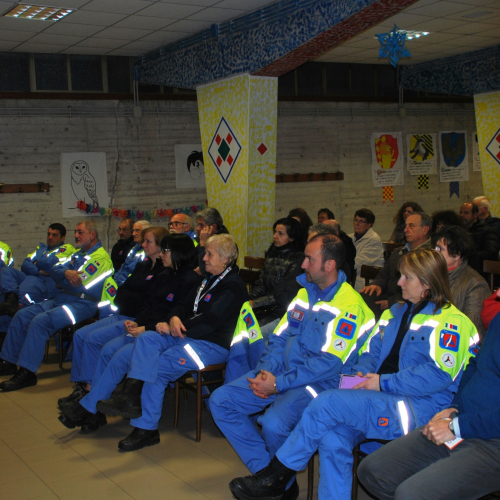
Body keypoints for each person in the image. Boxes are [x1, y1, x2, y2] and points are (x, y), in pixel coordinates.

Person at [228, 248, 479, 500]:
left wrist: (383, 382)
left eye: (407, 277)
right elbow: (370, 353)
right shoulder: (394, 313)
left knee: (327, 401)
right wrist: (359, 376)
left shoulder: (452, 322)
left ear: (427, 283)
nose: (399, 282)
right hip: (379, 398)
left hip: (417, 408)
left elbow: (437, 376)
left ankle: (278, 475)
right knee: (332, 438)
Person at [211, 234, 375, 499]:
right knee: (221, 401)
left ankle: (276, 483)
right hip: (281, 373)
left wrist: (278, 384)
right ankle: (273, 478)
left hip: (320, 383)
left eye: (309, 259)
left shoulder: (350, 306)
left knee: (273, 424)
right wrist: (267, 370)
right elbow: (279, 337)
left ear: (330, 265)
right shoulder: (303, 293)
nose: (303, 265)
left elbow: (329, 364)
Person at [94, 234, 249, 451]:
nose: (203, 258)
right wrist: (175, 317)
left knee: (158, 368)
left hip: (211, 346)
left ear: (225, 259)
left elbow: (209, 322)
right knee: (147, 338)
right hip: (188, 335)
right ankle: (131, 395)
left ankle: (146, 428)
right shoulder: (208, 279)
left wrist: (175, 327)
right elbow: (183, 304)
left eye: (209, 254)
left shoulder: (233, 286)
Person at [58, 233, 200, 434]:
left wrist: (145, 328)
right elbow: (148, 306)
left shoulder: (191, 280)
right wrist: (137, 323)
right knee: (107, 350)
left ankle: (88, 408)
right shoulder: (164, 275)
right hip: (145, 329)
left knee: (120, 356)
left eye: (166, 251)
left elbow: (176, 318)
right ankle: (93, 406)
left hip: (162, 336)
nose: (162, 254)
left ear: (178, 253)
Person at [358, 301, 500, 500]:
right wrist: (455, 407)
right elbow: (475, 365)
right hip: (465, 421)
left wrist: (457, 426)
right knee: (374, 471)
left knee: (411, 494)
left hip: (492, 440)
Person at [58, 226, 169, 409]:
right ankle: (81, 386)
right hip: (122, 313)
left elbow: (146, 302)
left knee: (93, 339)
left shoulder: (162, 272)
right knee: (80, 335)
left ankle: (89, 390)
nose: (143, 245)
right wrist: (131, 296)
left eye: (148, 241)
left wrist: (131, 297)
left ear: (160, 245)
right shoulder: (142, 266)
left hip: (133, 319)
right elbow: (121, 292)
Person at [0, 221, 113, 391]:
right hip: (62, 298)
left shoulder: (101, 258)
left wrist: (61, 278)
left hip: (82, 303)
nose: (76, 235)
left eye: (80, 232)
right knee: (22, 315)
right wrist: (65, 273)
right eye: (75, 232)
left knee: (40, 321)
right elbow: (56, 270)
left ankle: (27, 372)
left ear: (92, 235)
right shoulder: (77, 254)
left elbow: (79, 285)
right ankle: (8, 362)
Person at [361, 212, 431, 320]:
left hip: (410, 300)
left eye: (411, 226)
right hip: (390, 295)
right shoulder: (399, 252)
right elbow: (383, 276)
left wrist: (391, 302)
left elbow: (422, 289)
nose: (406, 230)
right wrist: (377, 284)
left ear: (425, 229)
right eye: (406, 226)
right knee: (366, 295)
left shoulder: (429, 255)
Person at [0, 224, 75, 316]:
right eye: (49, 234)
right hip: (30, 277)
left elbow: (49, 264)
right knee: (6, 270)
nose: (50, 237)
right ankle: (11, 298)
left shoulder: (67, 248)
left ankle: (16, 305)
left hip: (45, 284)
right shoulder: (41, 249)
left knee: (30, 282)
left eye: (54, 235)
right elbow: (25, 265)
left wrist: (36, 262)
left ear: (63, 238)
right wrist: (38, 271)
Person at [249, 217, 304, 339]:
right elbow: (261, 285)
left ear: (292, 237)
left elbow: (282, 294)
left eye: (280, 233)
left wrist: (255, 303)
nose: (275, 236)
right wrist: (248, 299)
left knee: (252, 334)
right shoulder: (272, 255)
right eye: (275, 232)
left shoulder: (297, 260)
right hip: (263, 307)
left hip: (280, 310)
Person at [433, 225, 490, 340]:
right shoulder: (432, 275)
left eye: (440, 249)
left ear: (456, 255)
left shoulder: (475, 284)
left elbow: (470, 329)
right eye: (435, 248)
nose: (434, 252)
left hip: (455, 343)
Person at [459, 202, 500, 277]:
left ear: (475, 215)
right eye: (460, 212)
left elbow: (491, 253)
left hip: (481, 273)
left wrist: (467, 255)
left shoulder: (487, 231)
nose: (462, 215)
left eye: (466, 213)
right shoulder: (459, 231)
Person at [348, 208, 384, 292]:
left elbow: (358, 263)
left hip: (365, 282)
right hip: (352, 277)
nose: (357, 224)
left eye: (361, 221)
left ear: (369, 225)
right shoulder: (350, 238)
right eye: (356, 220)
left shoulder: (373, 240)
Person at [113, 220, 152, 286]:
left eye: (137, 230)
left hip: (130, 287)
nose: (133, 234)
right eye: (133, 231)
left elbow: (135, 272)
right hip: (119, 284)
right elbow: (124, 267)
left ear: (147, 232)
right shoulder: (134, 248)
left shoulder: (149, 251)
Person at [195, 207, 229, 274]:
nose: (197, 228)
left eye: (201, 225)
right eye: (198, 224)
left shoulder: (225, 244)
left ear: (213, 227)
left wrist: (203, 243)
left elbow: (204, 270)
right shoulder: (198, 239)